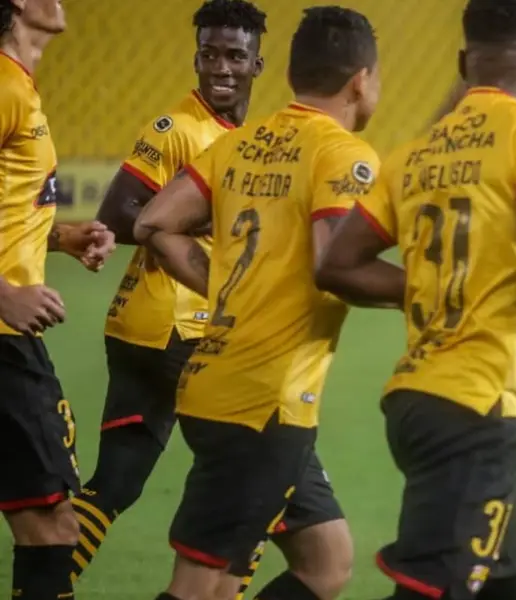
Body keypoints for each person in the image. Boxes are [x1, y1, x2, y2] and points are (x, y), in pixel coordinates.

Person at [315, 1, 516, 598]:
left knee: (511, 586)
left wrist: (435, 285)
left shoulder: (412, 156)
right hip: (477, 408)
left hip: (417, 399)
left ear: (464, 64)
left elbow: (337, 265)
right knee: (435, 588)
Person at [132, 6, 383, 600]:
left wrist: (223, 283)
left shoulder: (240, 144)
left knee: (326, 560)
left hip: (222, 385)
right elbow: (336, 267)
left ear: (290, 73)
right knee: (201, 584)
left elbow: (152, 222)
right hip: (260, 404)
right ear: (361, 81)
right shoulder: (343, 154)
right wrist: (432, 292)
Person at [75, 0, 268, 586]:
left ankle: (44, 583)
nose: (221, 68)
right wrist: (207, 218)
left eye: (234, 55)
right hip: (178, 330)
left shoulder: (237, 136)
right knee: (264, 475)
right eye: (209, 54)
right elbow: (118, 212)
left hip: (143, 331)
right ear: (196, 58)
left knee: (116, 483)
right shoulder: (179, 129)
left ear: (257, 64)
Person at [0, 1, 119, 598]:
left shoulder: (18, 86)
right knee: (49, 529)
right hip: (4, 344)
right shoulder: (4, 88)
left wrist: (59, 235)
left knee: (45, 524)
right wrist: (4, 296)